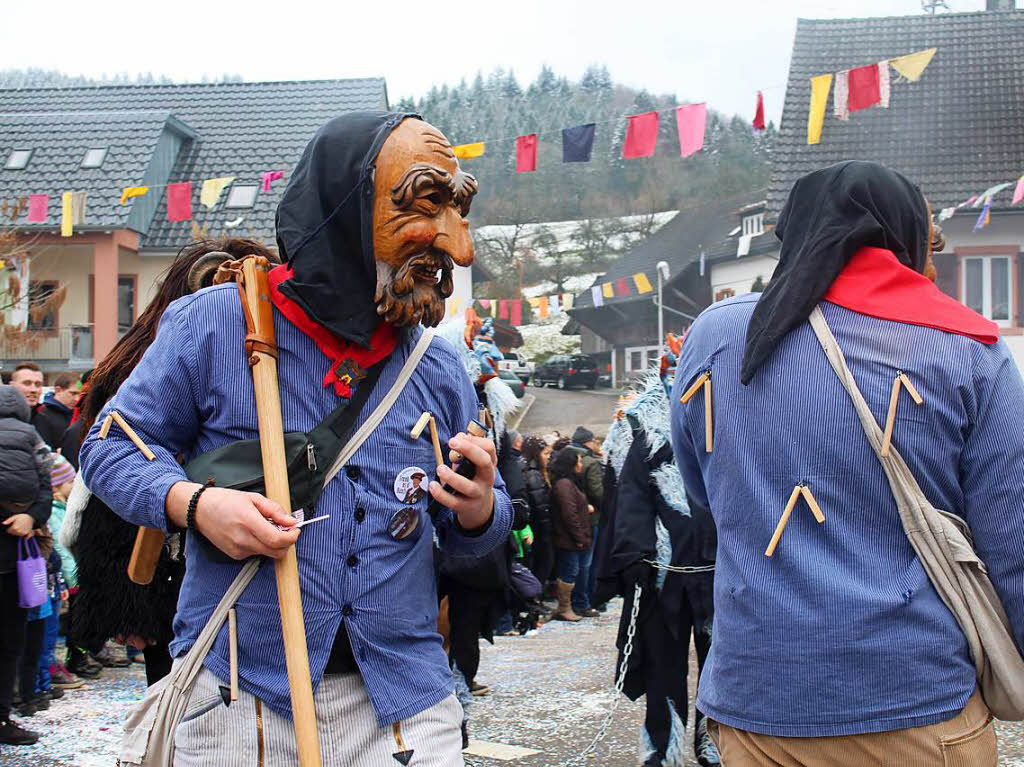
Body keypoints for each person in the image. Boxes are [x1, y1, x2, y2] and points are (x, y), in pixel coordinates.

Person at [80, 112, 513, 765]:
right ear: (347, 206)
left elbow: (479, 527)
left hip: (405, 703)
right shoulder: (213, 325)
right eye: (427, 206)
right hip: (241, 698)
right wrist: (196, 504)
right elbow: (110, 447)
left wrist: (481, 509)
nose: (459, 248)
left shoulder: (439, 367)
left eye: (460, 214)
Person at [671, 161, 1018, 765]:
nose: (932, 267)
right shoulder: (971, 351)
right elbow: (1012, 547)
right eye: (928, 246)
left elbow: (706, 496)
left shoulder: (717, 337)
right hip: (918, 705)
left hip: (759, 709)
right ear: (901, 239)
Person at [68, 240, 257, 688]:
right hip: (167, 559)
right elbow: (110, 475)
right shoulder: (143, 364)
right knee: (178, 694)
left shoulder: (264, 354)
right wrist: (127, 596)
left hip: (249, 557)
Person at [596, 338, 719, 767]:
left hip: (716, 569)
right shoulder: (643, 425)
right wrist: (634, 557)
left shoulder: (725, 412)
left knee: (719, 665)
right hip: (663, 571)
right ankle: (662, 748)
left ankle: (713, 743)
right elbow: (628, 494)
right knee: (663, 667)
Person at [0, 384, 52, 746]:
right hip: (16, 555)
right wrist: (31, 518)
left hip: (12, 558)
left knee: (9, 644)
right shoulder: (33, 438)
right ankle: (3, 720)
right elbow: (48, 491)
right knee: (10, 644)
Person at [549, 447, 592, 622]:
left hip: (573, 537)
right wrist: (579, 537)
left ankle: (572, 606)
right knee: (569, 572)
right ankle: (564, 608)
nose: (581, 464)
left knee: (573, 571)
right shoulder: (564, 485)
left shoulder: (569, 483)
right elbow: (569, 513)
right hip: (568, 539)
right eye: (579, 461)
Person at [570, 427, 603, 617]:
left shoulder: (564, 456)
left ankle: (578, 600)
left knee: (577, 562)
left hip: (574, 518)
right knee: (587, 562)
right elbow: (597, 492)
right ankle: (584, 601)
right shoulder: (590, 462)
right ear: (587, 442)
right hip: (591, 518)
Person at [521, 436, 555, 595]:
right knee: (542, 565)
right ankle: (534, 599)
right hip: (539, 530)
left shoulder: (533, 471)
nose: (548, 457)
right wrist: (548, 529)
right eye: (546, 453)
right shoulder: (533, 474)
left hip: (538, 529)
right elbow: (540, 506)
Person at [32, 373, 80, 450]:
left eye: (79, 394)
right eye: (73, 393)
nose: (77, 399)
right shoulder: (42, 414)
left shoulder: (79, 414)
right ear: (58, 390)